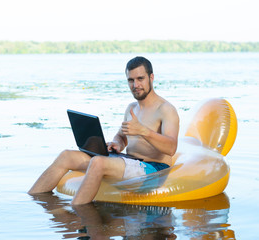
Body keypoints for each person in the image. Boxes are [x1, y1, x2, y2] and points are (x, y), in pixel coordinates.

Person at [28, 56, 180, 205]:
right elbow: (122, 136)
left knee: (98, 162)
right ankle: (31, 202)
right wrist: (117, 144)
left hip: (155, 169)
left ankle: (77, 219)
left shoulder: (166, 109)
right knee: (66, 156)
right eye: (131, 80)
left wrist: (143, 131)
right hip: (131, 162)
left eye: (140, 79)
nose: (135, 85)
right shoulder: (132, 108)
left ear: (151, 77)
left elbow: (171, 148)